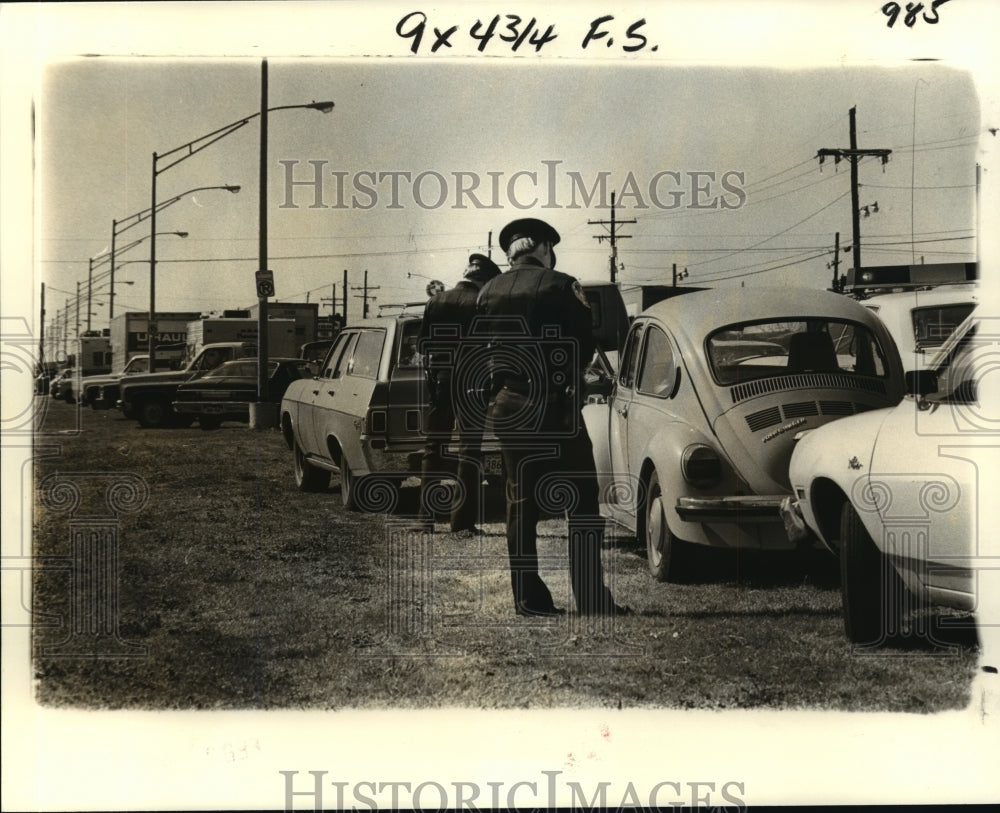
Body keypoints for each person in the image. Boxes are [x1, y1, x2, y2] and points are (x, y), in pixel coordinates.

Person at [475, 218, 628, 617]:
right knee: (581, 503)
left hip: (509, 404)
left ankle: (528, 599)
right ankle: (591, 599)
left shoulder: (488, 290)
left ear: (510, 253)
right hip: (555, 406)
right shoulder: (562, 285)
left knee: (520, 503)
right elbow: (582, 344)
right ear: (543, 248)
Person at [417, 253, 502, 534]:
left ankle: (425, 519)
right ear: (483, 279)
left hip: (441, 379)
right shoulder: (481, 302)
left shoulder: (436, 300)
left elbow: (422, 345)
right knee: (469, 449)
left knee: (433, 446)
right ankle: (461, 523)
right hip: (472, 379)